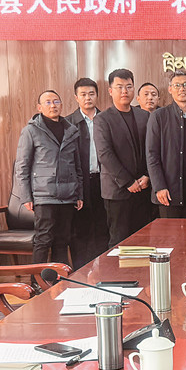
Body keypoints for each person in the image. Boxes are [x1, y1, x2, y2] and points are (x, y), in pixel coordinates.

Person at [13, 90, 83, 264]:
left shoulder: (71, 130)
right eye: (48, 102)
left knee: (62, 241)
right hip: (44, 195)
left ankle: (59, 278)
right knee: (43, 239)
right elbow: (22, 166)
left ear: (61, 105)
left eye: (56, 102)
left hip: (68, 196)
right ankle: (37, 279)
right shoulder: (31, 131)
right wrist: (26, 196)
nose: (53, 106)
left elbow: (77, 166)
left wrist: (79, 194)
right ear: (39, 107)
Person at [94, 68, 151, 247]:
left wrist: (147, 175)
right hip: (117, 191)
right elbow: (105, 154)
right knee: (119, 241)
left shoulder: (144, 116)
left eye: (129, 86)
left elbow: (151, 149)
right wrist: (128, 182)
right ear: (111, 91)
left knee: (143, 240)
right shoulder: (102, 119)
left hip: (143, 188)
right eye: (119, 87)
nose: (124, 91)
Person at [146, 71, 186, 218]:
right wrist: (159, 186)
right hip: (168, 193)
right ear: (170, 89)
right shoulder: (158, 117)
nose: (182, 89)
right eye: (177, 85)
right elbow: (152, 155)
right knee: (170, 233)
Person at [65, 77, 109, 269]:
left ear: (97, 95)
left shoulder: (106, 119)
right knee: (80, 230)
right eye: (83, 94)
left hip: (104, 180)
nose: (88, 98)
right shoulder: (68, 123)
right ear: (76, 97)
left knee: (103, 227)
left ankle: (103, 271)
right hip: (80, 182)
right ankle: (81, 273)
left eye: (91, 94)